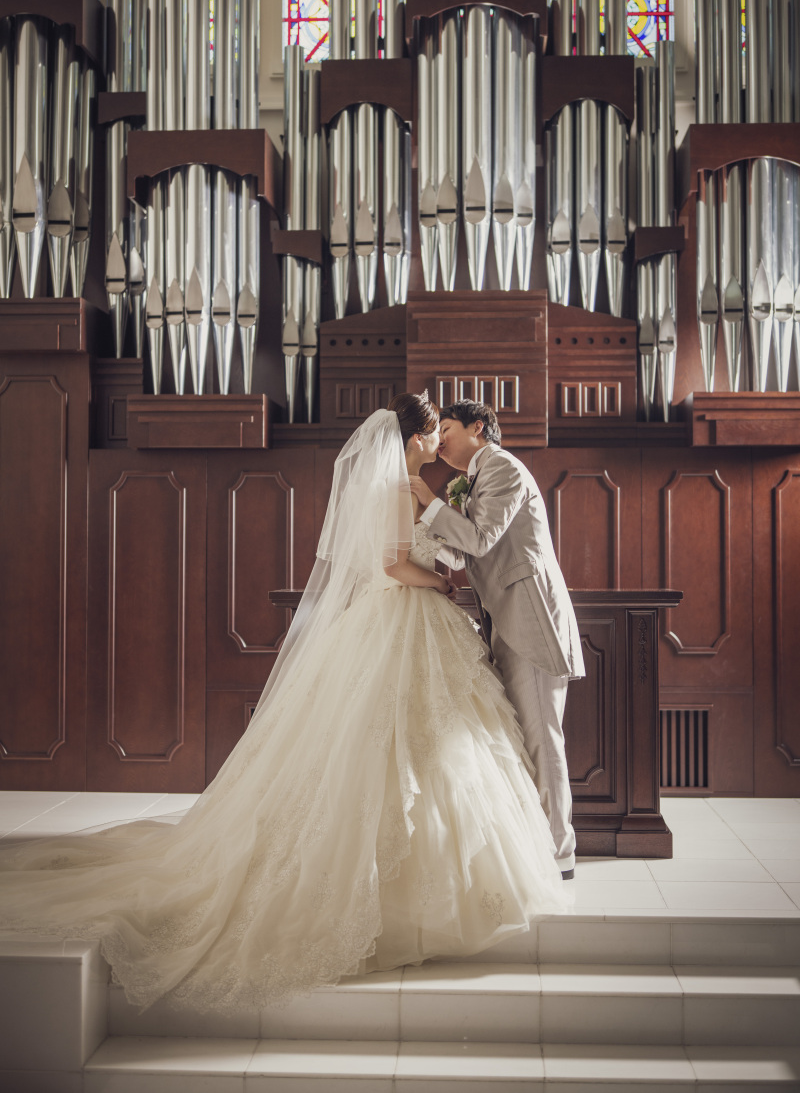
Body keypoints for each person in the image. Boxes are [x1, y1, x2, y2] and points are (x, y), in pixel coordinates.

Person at [0, 394, 568, 1015]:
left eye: (448, 432)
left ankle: (480, 861)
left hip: (432, 619)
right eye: (436, 433)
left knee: (435, 745)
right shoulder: (403, 488)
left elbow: (459, 545)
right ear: (415, 440)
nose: (441, 442)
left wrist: (440, 553)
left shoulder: (438, 485)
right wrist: (438, 580)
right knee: (399, 743)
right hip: (407, 616)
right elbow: (392, 565)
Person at [409, 399, 584, 879]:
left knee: (542, 738)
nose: (440, 440)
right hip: (505, 622)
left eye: (447, 428)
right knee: (526, 739)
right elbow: (466, 555)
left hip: (531, 623)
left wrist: (430, 502)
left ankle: (560, 852)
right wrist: (420, 529)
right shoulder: (476, 478)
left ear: (478, 428)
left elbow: (481, 539)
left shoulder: (503, 467)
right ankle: (539, 844)